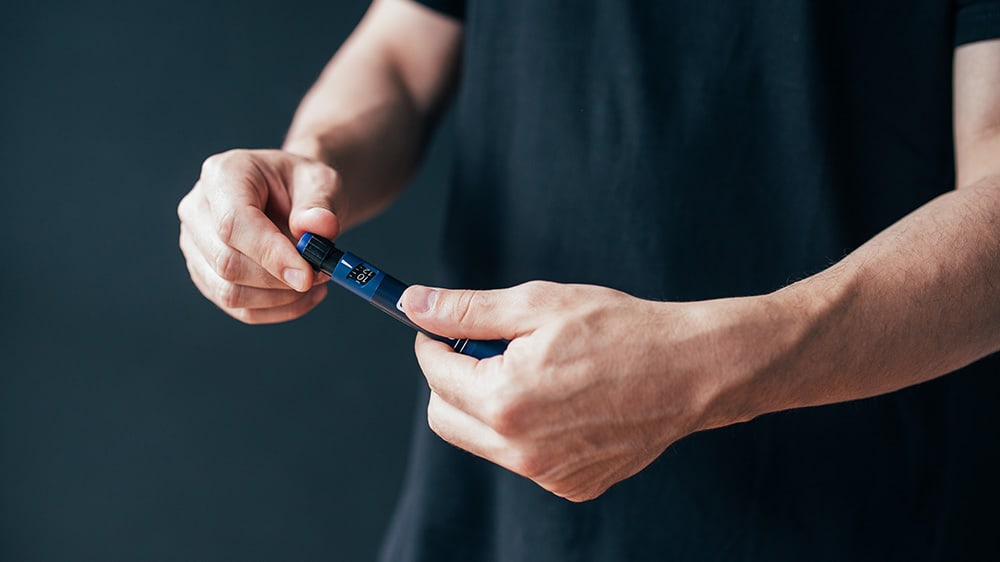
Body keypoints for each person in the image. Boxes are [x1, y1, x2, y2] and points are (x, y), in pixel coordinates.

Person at [177, 0, 1000, 559]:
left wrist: (710, 366)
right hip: (485, 513)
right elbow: (400, 49)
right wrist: (309, 166)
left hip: (854, 509)